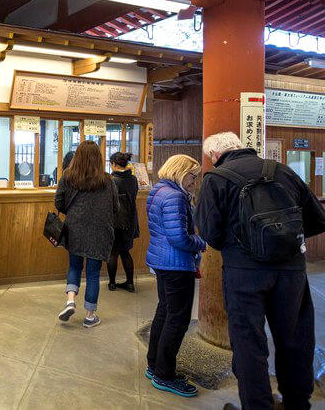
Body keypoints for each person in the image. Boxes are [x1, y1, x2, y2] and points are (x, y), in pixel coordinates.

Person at [195, 132, 325, 410]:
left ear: (215, 156)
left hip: (243, 272)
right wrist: (285, 243)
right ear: (240, 146)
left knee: (248, 341)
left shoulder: (216, 179)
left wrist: (240, 246)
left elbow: (210, 233)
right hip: (291, 270)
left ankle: (258, 404)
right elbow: (316, 219)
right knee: (295, 338)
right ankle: (296, 403)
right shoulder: (283, 171)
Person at [145, 154, 205, 398]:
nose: (194, 181)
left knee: (164, 312)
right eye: (193, 176)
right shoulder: (176, 196)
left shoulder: (158, 190)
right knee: (177, 320)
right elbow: (179, 238)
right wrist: (202, 243)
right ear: (181, 172)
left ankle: (154, 365)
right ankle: (165, 375)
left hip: (161, 261)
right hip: (176, 264)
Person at [55, 141, 118, 328]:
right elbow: (116, 207)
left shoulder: (68, 176)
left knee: (74, 266)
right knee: (93, 273)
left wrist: (74, 212)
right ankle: (90, 316)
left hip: (75, 228)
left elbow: (58, 202)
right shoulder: (107, 180)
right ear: (99, 158)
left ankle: (70, 301)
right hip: (99, 230)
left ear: (77, 156)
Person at [107, 152, 139, 292]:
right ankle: (130, 283)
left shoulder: (112, 181)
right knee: (125, 252)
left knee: (113, 253)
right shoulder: (133, 179)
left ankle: (112, 283)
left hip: (115, 222)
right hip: (130, 221)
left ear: (113, 164)